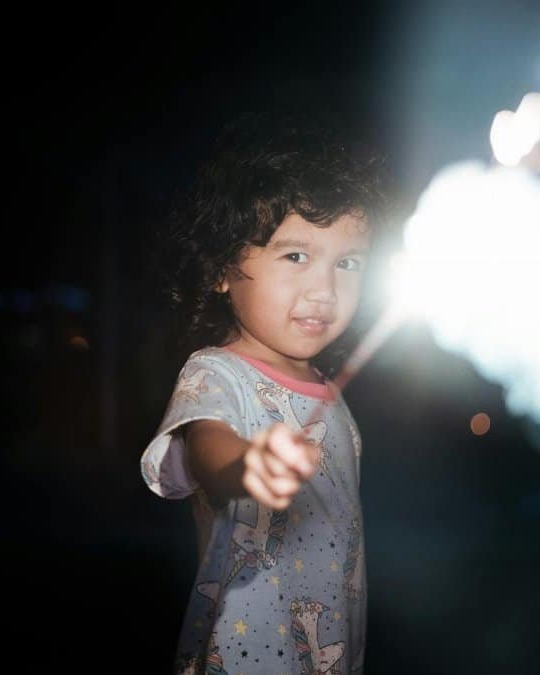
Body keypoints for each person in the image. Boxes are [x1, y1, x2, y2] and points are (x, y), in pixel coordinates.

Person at [140, 111, 388, 674]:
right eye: (295, 256)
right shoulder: (216, 373)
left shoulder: (330, 393)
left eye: (347, 263)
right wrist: (247, 466)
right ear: (222, 268)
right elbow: (208, 446)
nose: (324, 289)